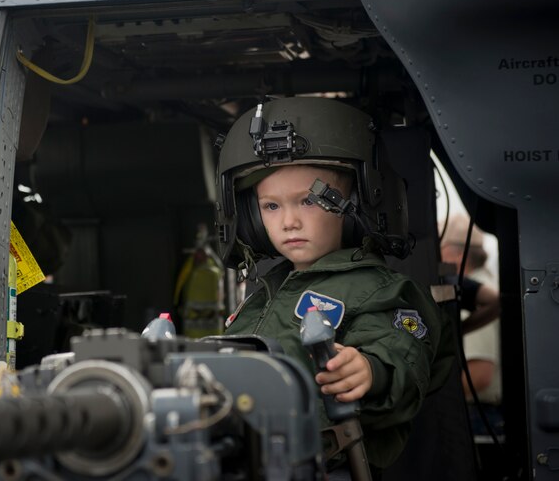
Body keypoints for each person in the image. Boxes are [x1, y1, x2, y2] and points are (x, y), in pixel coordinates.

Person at [215, 98, 451, 475]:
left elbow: (403, 359)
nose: (288, 221)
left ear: (357, 202)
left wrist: (370, 372)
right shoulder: (265, 292)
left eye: (309, 200)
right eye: (271, 207)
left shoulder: (385, 290)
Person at [441, 215, 503, 436]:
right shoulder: (490, 285)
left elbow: (479, 374)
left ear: (458, 255)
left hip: (479, 417)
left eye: (441, 249)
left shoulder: (471, 300)